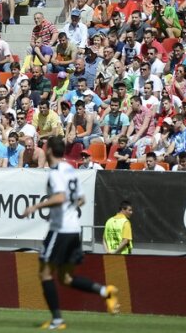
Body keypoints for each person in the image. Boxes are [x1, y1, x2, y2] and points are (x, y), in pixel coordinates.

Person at [21, 136, 119, 329]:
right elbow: (80, 199)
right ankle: (105, 291)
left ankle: (57, 320)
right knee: (66, 278)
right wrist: (65, 210)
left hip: (61, 230)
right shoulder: (71, 171)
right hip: (74, 229)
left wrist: (36, 207)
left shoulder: (56, 172)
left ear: (48, 151)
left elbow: (60, 196)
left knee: (45, 274)